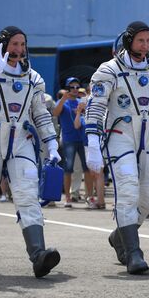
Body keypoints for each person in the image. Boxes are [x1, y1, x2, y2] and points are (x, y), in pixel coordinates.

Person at [85, 21, 149, 274]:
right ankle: (133, 253)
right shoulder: (109, 70)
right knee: (128, 189)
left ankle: (120, 236)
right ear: (129, 41)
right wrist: (92, 143)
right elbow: (96, 106)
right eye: (140, 40)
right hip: (120, 136)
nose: (145, 45)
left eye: (148, 41)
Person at [0, 26, 61, 277]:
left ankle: (38, 254)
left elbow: (40, 113)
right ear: (2, 46)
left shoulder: (33, 77)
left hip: (20, 142)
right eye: (14, 44)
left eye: (22, 44)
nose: (19, 49)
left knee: (28, 195)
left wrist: (51, 144)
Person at [52, 77, 96, 208]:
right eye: (72, 87)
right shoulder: (63, 101)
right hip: (69, 139)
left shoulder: (80, 101)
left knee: (87, 168)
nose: (76, 90)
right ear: (67, 89)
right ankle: (68, 198)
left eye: (78, 87)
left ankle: (89, 197)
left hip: (82, 139)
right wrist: (63, 99)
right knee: (68, 169)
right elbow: (55, 113)